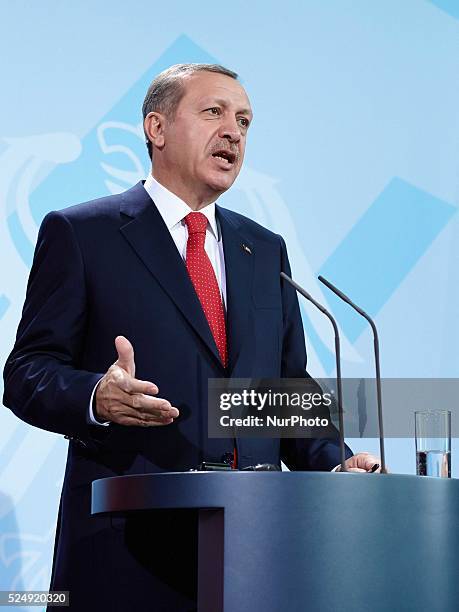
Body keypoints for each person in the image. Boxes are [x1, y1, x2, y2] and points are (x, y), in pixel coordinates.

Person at [3, 64, 380, 611]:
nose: (234, 132)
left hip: (253, 549)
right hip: (129, 548)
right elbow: (28, 371)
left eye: (245, 122)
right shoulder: (84, 233)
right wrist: (95, 397)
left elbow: (281, 388)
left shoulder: (263, 248)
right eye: (214, 113)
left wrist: (333, 462)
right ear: (156, 128)